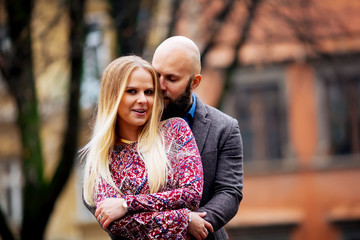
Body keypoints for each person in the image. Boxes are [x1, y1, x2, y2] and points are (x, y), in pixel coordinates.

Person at [81, 55, 204, 239]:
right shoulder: (101, 157)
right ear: (113, 96)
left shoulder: (176, 131)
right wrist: (184, 220)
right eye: (131, 91)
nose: (142, 100)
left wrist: (125, 205)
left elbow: (191, 194)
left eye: (149, 92)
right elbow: (116, 223)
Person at [152, 36, 244, 240]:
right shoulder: (132, 120)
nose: (160, 86)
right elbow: (97, 189)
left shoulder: (225, 128)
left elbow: (229, 192)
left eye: (171, 78)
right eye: (155, 74)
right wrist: (166, 224)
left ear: (195, 82)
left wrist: (195, 224)